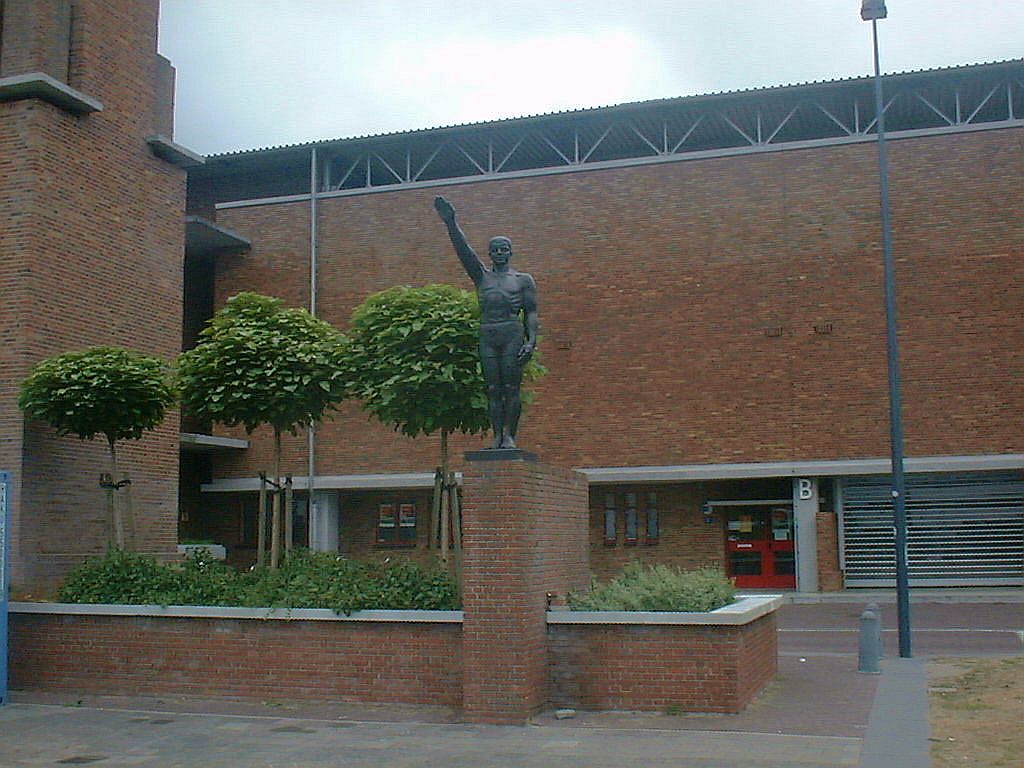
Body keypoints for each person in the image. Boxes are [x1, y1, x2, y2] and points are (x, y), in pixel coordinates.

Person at [434, 195, 538, 449]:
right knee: (492, 388)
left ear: (510, 252)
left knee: (511, 387)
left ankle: (510, 436)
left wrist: (531, 342)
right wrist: (451, 223)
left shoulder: (523, 280)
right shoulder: (482, 277)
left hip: (512, 333)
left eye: (504, 249)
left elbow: (531, 312)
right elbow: (464, 251)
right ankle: (497, 435)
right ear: (490, 254)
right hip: (488, 333)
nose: (500, 253)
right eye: (495, 250)